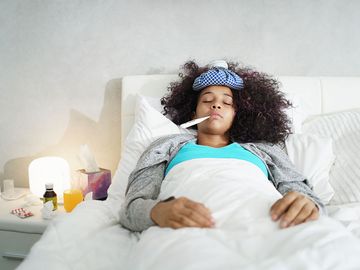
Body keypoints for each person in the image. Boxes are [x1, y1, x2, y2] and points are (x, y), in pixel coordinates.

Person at [119, 60, 323, 232]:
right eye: (207, 100)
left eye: (227, 103)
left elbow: (305, 195)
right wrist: (158, 211)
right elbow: (131, 209)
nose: (216, 105)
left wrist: (307, 204)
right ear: (193, 114)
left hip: (269, 222)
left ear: (237, 115)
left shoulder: (266, 151)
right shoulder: (164, 146)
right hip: (190, 229)